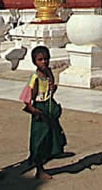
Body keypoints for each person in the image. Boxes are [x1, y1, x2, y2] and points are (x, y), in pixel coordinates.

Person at [22, 45, 66, 180]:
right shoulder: (34, 78)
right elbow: (27, 99)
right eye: (40, 60)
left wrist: (53, 88)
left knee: (51, 136)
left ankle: (48, 158)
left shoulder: (48, 73)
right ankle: (39, 169)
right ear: (35, 61)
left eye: (46, 59)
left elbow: (50, 89)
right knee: (39, 140)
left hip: (48, 107)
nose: (44, 62)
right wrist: (35, 112)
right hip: (40, 110)